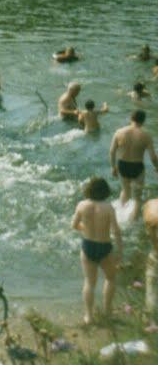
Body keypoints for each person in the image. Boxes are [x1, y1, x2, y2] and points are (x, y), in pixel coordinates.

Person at [71, 177, 122, 325]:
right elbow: (116, 231)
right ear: (105, 191)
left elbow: (74, 225)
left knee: (89, 282)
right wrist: (120, 251)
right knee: (111, 278)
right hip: (104, 246)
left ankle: (88, 316)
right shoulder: (108, 207)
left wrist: (85, 229)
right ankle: (107, 310)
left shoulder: (81, 205)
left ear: (88, 190)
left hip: (88, 246)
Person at [110, 110, 158, 221]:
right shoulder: (146, 135)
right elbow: (153, 157)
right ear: (143, 120)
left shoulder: (119, 132)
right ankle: (133, 223)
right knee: (137, 197)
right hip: (137, 167)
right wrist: (157, 167)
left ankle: (119, 217)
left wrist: (113, 167)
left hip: (122, 165)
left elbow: (112, 151)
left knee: (125, 191)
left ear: (131, 118)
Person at [144, 199, 158, 317]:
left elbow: (150, 232)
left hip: (156, 255)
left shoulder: (151, 205)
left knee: (152, 289)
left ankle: (152, 319)